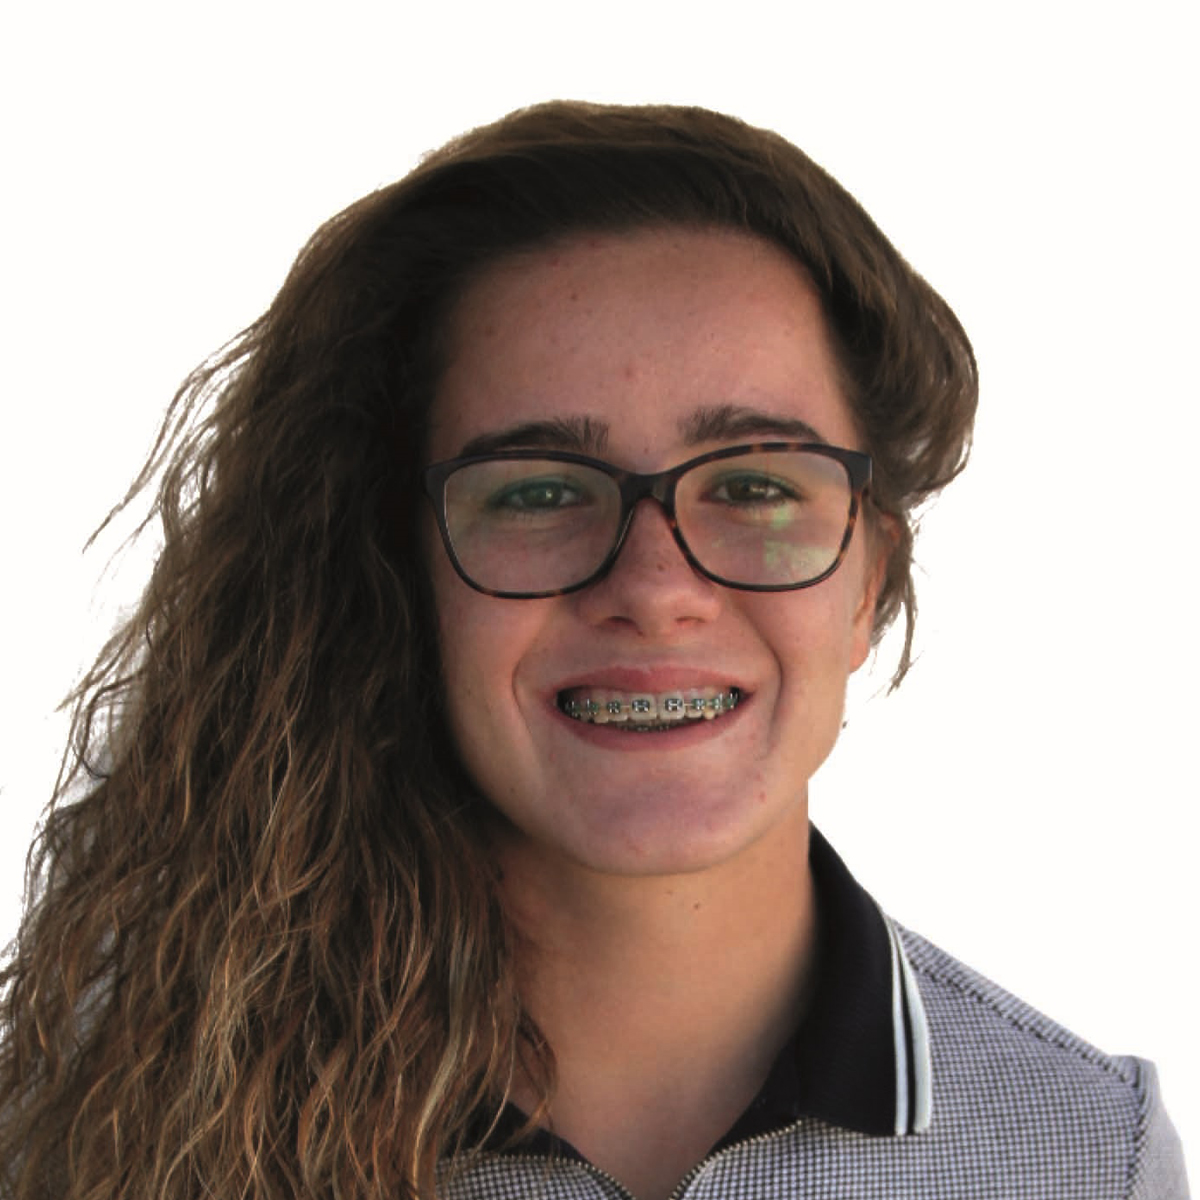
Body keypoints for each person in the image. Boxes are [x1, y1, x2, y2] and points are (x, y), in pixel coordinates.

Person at [0, 101, 1187, 1200]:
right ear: (398, 577)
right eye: (536, 492)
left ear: (869, 576)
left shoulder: (1089, 1154)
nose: (656, 589)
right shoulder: (93, 1131)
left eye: (755, 485)